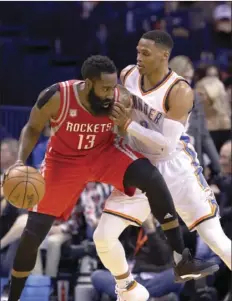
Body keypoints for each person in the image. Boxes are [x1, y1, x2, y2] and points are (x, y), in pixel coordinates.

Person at [4, 55, 213, 301]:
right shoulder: (58, 96)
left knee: (152, 178)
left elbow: (147, 120)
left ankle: (181, 259)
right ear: (88, 83)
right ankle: (13, 295)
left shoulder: (119, 97)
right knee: (32, 233)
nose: (109, 93)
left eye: (113, 86)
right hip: (63, 162)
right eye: (104, 88)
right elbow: (31, 128)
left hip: (104, 154)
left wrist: (126, 122)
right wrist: (20, 160)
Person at [94, 30, 231, 298]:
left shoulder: (179, 91)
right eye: (137, 51)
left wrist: (127, 125)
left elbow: (166, 146)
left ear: (164, 55)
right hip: (141, 166)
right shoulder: (128, 75)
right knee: (103, 236)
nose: (139, 57)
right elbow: (119, 110)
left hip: (175, 167)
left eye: (146, 53)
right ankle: (129, 291)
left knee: (216, 240)